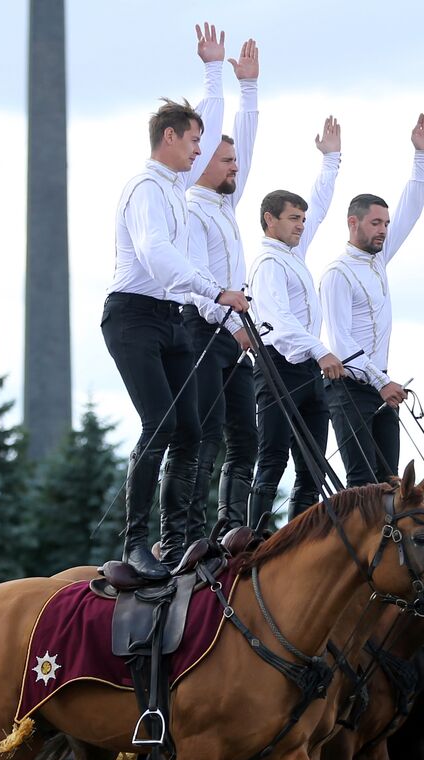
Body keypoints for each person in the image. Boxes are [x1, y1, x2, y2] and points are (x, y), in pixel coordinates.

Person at [102, 23, 250, 580]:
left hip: (171, 321)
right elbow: (156, 254)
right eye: (193, 141)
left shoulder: (176, 187)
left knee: (192, 429)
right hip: (134, 317)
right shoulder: (146, 187)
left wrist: (216, 74)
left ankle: (181, 539)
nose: (201, 149)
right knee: (160, 424)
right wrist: (215, 290)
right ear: (169, 139)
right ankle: (134, 541)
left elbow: (210, 127)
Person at [319, 112, 424, 485]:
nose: (384, 230)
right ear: (353, 223)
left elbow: (412, 212)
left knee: (392, 485)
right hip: (351, 388)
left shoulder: (379, 260)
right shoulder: (338, 272)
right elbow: (341, 343)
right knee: (362, 485)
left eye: (385, 224)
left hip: (381, 385)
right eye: (376, 223)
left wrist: (421, 157)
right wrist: (379, 380)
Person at [245, 118, 343, 529]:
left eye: (301, 220)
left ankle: (300, 535)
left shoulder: (293, 256)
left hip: (305, 370)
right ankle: (254, 536)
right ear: (270, 220)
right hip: (278, 367)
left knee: (313, 463)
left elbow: (319, 206)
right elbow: (279, 321)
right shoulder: (268, 261)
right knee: (272, 457)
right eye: (293, 219)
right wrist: (321, 350)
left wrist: (331, 159)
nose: (301, 225)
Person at [184, 37, 261, 539]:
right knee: (204, 436)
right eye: (225, 160)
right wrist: (214, 76)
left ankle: (231, 530)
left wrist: (249, 87)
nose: (235, 166)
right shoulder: (189, 205)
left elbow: (248, 147)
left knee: (246, 440)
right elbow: (192, 283)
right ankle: (187, 533)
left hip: (234, 339)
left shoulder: (225, 207)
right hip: (204, 335)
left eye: (234, 160)